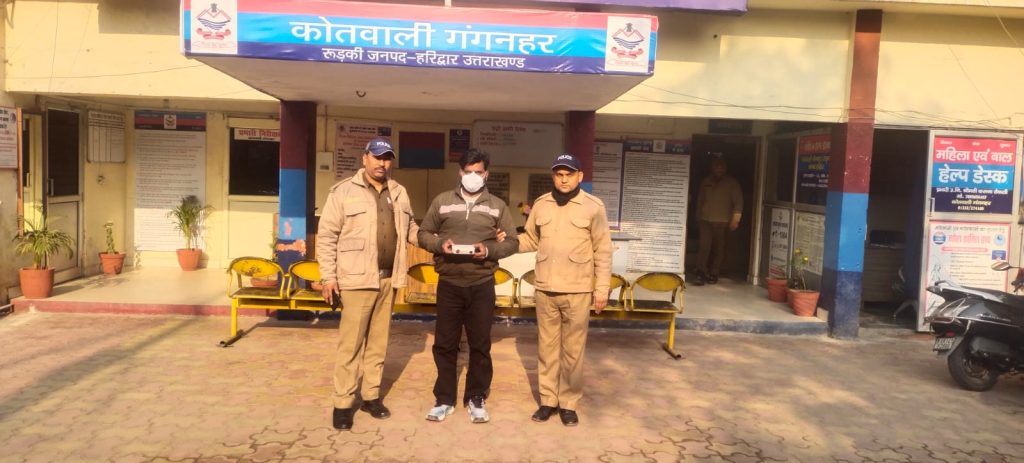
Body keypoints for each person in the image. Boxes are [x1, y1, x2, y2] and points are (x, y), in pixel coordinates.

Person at [316, 136, 419, 431]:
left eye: (386, 158)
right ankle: (342, 403)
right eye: (377, 157)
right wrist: (328, 277)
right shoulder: (343, 192)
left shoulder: (398, 192)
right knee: (350, 345)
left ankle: (371, 396)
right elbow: (327, 237)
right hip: (356, 280)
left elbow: (410, 229)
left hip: (387, 279)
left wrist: (436, 241)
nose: (382, 163)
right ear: (364, 158)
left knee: (378, 344)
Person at [417, 148, 519, 424]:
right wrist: (440, 244)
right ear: (460, 172)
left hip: (481, 283)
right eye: (468, 171)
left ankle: (476, 397)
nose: (473, 176)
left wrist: (488, 250)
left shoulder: (497, 206)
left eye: (478, 172)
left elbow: (512, 242)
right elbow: (423, 233)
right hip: (449, 283)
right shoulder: (442, 201)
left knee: (480, 344)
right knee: (445, 344)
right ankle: (444, 398)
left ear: (486, 174)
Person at [518, 153, 612, 427]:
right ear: (553, 176)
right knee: (546, 349)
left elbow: (603, 250)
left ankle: (568, 403)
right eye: (559, 174)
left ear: (579, 176)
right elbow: (530, 239)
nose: (563, 179)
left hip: (578, 290)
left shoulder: (593, 207)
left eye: (569, 174)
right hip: (546, 288)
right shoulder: (541, 204)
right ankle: (548, 401)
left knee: (573, 351)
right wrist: (503, 241)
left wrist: (601, 289)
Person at [693, 153, 743, 286]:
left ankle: (714, 272)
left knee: (719, 249)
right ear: (712, 167)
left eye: (721, 166)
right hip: (705, 220)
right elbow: (700, 200)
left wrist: (736, 218)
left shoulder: (732, 183)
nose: (719, 169)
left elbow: (738, 202)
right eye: (716, 166)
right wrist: (698, 216)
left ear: (725, 168)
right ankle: (700, 272)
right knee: (704, 246)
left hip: (722, 221)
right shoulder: (706, 181)